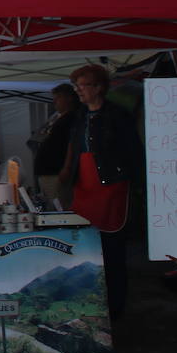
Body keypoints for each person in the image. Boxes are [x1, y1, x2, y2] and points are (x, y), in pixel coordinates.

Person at [59, 64, 140, 319]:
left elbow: (133, 152)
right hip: (84, 187)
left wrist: (129, 180)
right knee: (86, 247)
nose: (78, 91)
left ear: (98, 87)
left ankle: (115, 307)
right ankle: (90, 300)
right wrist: (67, 172)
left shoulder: (118, 115)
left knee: (112, 249)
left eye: (81, 86)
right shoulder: (81, 115)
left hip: (111, 186)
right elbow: (74, 147)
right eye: (76, 86)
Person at [30, 83, 79, 202]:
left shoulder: (72, 118)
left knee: (60, 204)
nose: (55, 101)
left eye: (58, 98)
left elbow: (72, 143)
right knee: (54, 203)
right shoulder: (59, 117)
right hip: (49, 171)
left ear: (69, 98)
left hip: (56, 171)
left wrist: (67, 167)